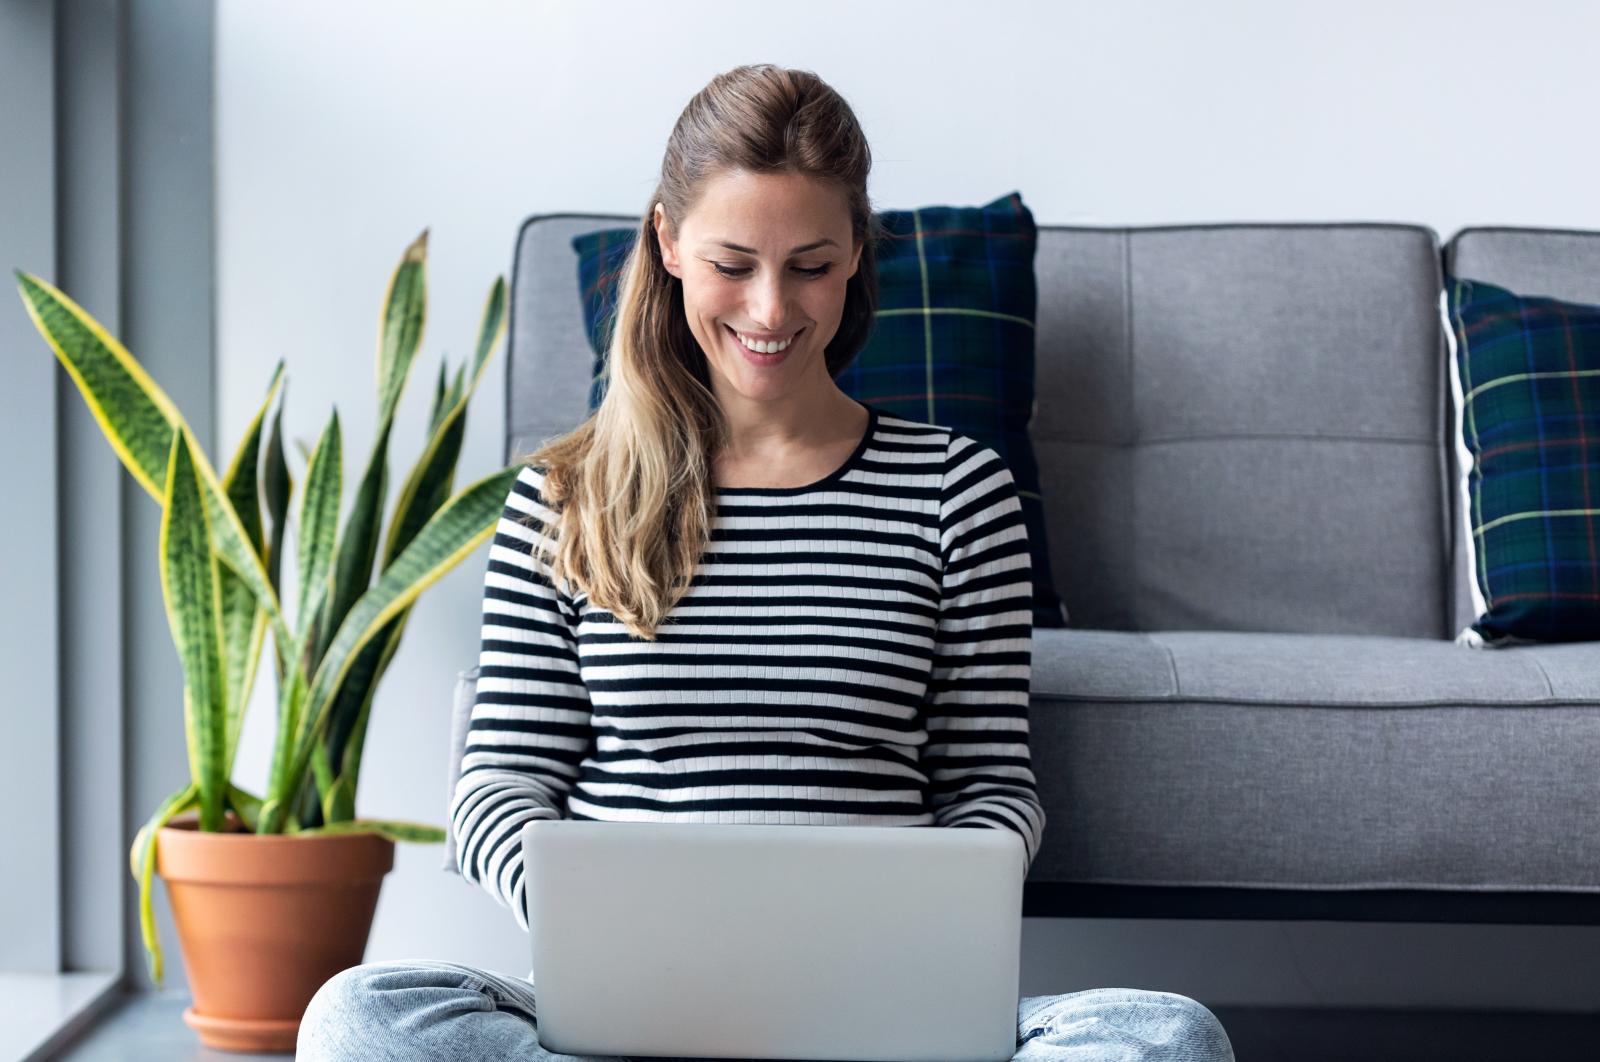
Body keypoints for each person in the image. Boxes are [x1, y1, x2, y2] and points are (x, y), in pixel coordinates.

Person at [298, 63, 1235, 1062]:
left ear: (857, 258)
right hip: (621, 1014)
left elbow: (989, 785)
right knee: (357, 1020)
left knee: (1168, 1038)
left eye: (812, 265)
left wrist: (924, 918)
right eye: (732, 262)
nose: (771, 307)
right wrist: (609, 935)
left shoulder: (958, 490)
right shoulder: (566, 493)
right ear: (666, 243)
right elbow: (499, 783)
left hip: (881, 1004)